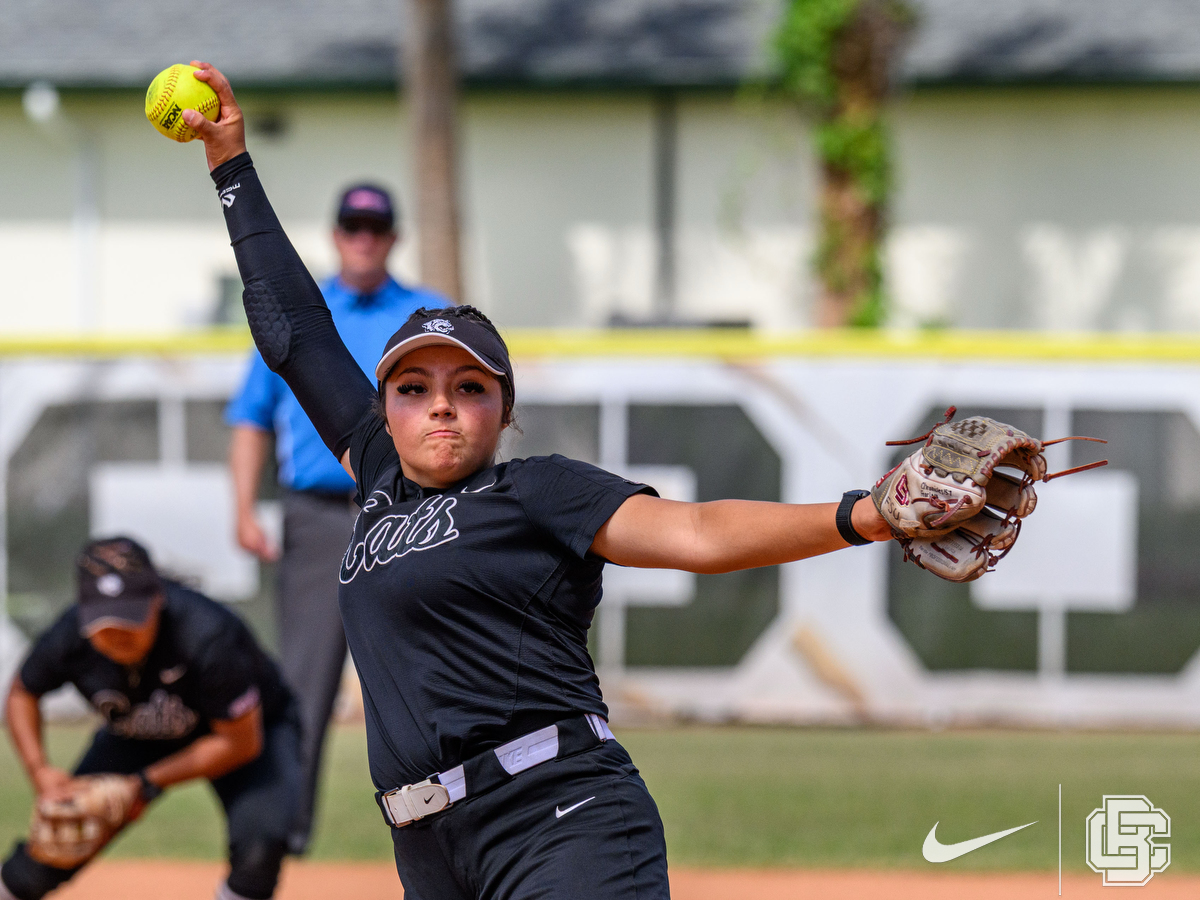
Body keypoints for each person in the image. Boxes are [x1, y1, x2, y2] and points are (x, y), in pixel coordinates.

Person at [185, 61, 893, 900]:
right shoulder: (376, 474)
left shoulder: (538, 492)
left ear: (504, 410)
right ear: (384, 407)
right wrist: (229, 163)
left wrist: (871, 512)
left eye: (469, 388)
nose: (440, 407)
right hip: (430, 849)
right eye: (413, 389)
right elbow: (293, 327)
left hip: (561, 817)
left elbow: (699, 535)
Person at [226, 177, 448, 854]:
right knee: (305, 677)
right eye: (352, 226)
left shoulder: (426, 313)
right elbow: (250, 415)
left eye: (375, 228)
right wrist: (242, 505)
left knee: (431, 673)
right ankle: (282, 832)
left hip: (411, 507)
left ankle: (452, 824)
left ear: (393, 238)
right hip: (319, 515)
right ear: (335, 234)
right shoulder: (304, 309)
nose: (363, 238)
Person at [0, 537, 301, 900]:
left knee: (260, 845)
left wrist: (142, 785)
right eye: (103, 623)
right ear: (83, 613)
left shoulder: (208, 634)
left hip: (248, 733)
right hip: (139, 735)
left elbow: (239, 742)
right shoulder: (69, 636)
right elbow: (22, 693)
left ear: (157, 598)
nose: (118, 635)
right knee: (58, 844)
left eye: (130, 617)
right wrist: (40, 771)